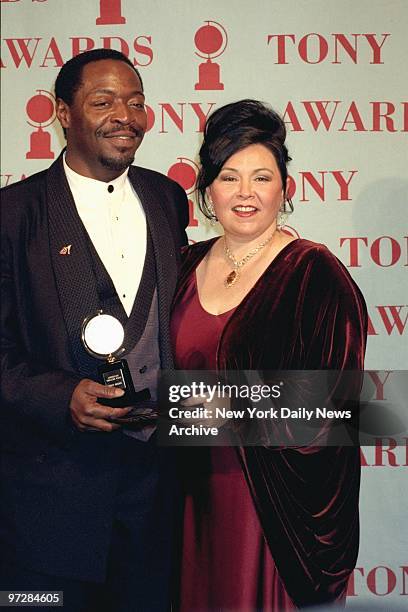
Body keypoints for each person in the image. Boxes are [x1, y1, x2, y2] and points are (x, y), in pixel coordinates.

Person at [0, 49, 188, 611]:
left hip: (155, 500)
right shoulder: (13, 214)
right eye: (102, 101)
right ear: (62, 113)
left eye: (136, 102)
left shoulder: (167, 197)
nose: (124, 116)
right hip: (48, 506)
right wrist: (62, 397)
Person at [170, 99, 367, 610]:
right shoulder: (181, 266)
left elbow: (335, 408)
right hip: (189, 504)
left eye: (261, 177)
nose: (245, 193)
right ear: (207, 188)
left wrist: (229, 410)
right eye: (229, 177)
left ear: (285, 187)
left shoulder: (314, 273)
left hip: (272, 513)